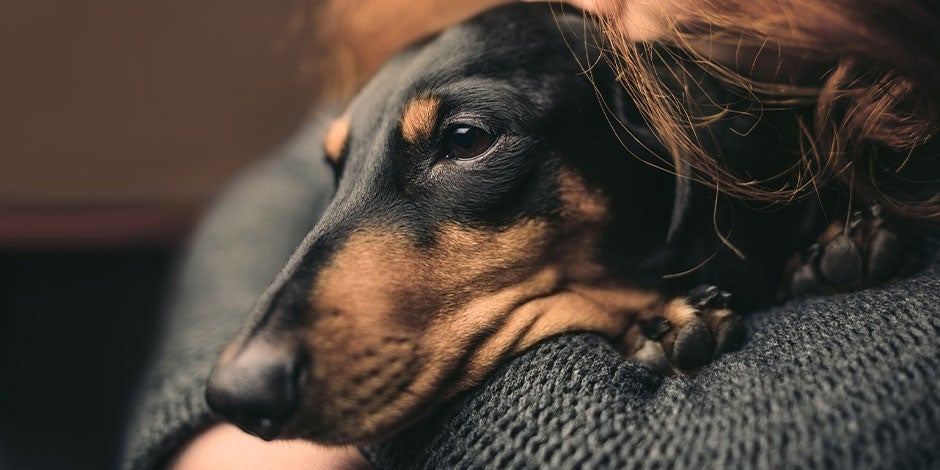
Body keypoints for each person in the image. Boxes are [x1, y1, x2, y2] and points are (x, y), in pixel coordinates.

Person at [123, 1, 940, 468]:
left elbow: (661, 449)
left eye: (466, 142)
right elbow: (295, 171)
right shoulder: (539, 40)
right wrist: (223, 432)